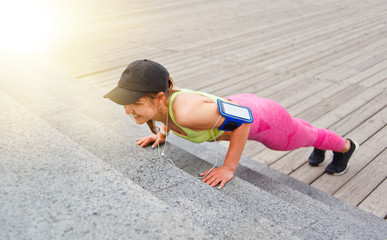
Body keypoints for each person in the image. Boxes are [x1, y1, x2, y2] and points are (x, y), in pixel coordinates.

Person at [104, 59, 359, 189]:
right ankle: (318, 141)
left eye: (133, 103)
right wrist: (162, 135)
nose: (128, 110)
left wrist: (228, 167)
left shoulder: (187, 113)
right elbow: (168, 114)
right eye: (124, 102)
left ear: (158, 97)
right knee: (301, 131)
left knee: (300, 136)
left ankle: (346, 146)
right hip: (243, 105)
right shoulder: (164, 105)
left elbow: (243, 121)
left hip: (264, 121)